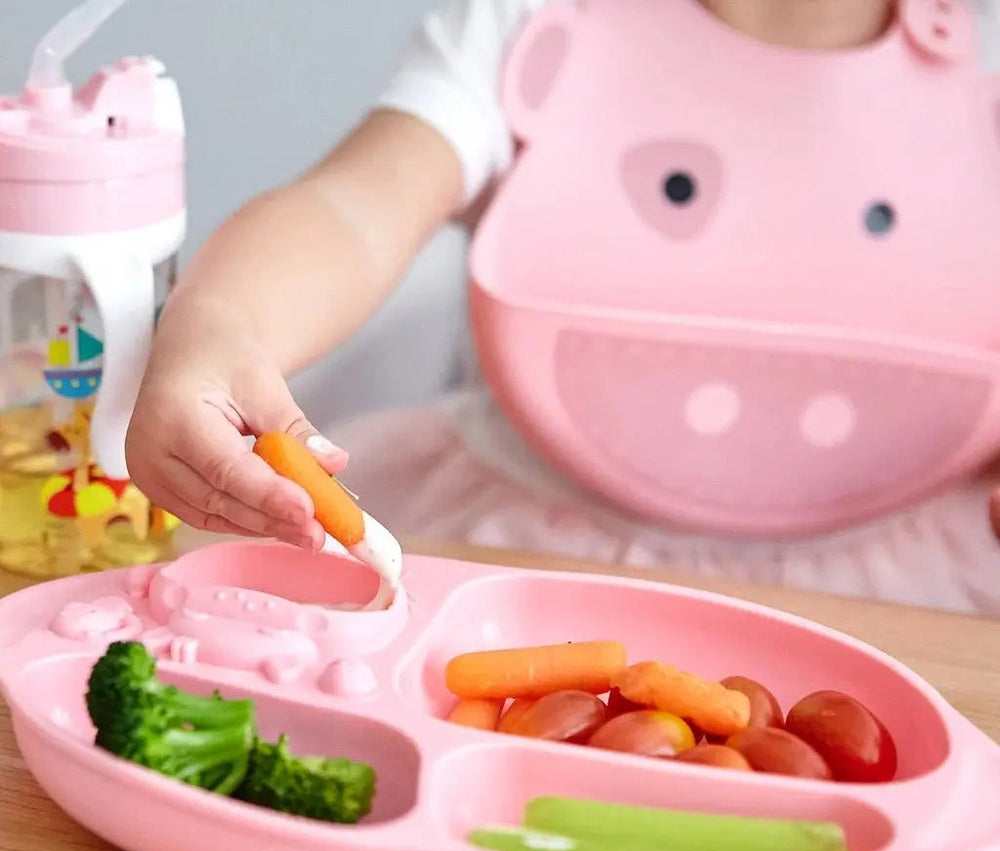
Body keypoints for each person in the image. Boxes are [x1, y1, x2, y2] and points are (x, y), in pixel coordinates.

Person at [126, 0, 1000, 615]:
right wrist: (220, 324)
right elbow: (355, 208)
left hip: (928, 596)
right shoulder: (531, 24)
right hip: (515, 553)